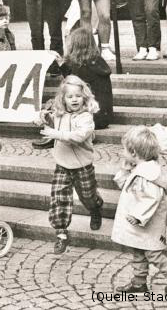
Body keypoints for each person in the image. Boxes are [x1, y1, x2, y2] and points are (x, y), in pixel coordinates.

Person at [112, 126, 167, 294]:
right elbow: (123, 184)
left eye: (124, 150)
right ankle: (139, 283)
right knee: (138, 250)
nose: (122, 153)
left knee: (152, 253)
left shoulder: (147, 175)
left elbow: (152, 197)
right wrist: (125, 168)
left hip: (146, 224)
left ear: (133, 152)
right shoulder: (141, 169)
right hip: (141, 226)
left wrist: (138, 216)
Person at [36, 75, 103, 254]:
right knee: (59, 198)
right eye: (70, 96)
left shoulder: (86, 118)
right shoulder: (59, 113)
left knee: (87, 196)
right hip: (62, 164)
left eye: (78, 96)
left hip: (82, 165)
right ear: (63, 98)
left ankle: (95, 208)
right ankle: (61, 234)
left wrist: (56, 134)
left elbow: (78, 136)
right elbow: (48, 119)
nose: (74, 99)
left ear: (85, 97)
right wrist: (41, 117)